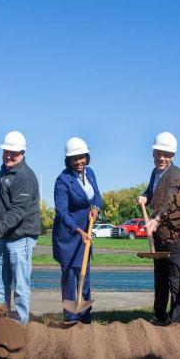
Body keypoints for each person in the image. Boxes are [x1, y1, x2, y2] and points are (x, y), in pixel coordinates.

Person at [0, 131, 41, 325]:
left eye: (13, 153)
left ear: (22, 153)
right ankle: (1, 321)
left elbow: (17, 211)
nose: (9, 155)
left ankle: (21, 325)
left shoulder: (25, 177)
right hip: (4, 236)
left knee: (20, 285)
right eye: (6, 151)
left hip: (20, 238)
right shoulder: (5, 171)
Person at [137, 132, 180, 325]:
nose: (161, 158)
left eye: (165, 154)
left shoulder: (176, 174)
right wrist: (145, 196)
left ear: (172, 155)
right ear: (153, 153)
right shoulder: (155, 172)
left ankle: (175, 320)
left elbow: (171, 201)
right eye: (158, 153)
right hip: (159, 236)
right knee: (160, 277)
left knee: (175, 278)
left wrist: (157, 220)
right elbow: (152, 191)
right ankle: (159, 316)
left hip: (175, 235)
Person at [52, 137, 102, 324]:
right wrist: (78, 230)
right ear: (68, 160)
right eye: (75, 158)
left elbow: (96, 195)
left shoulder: (90, 173)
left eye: (82, 157)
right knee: (69, 276)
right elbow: (62, 211)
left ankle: (85, 315)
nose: (79, 162)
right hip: (68, 235)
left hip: (85, 233)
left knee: (84, 274)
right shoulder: (62, 180)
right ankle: (71, 317)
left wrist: (96, 208)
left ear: (86, 157)